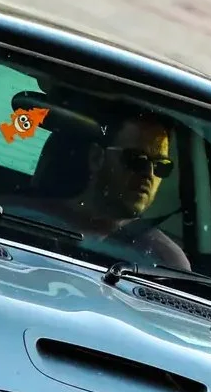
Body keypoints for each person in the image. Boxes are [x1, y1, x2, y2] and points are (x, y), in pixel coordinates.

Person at [14, 107, 190, 270]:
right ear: (96, 157)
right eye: (136, 159)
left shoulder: (167, 261)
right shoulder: (13, 217)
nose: (149, 174)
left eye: (161, 166)